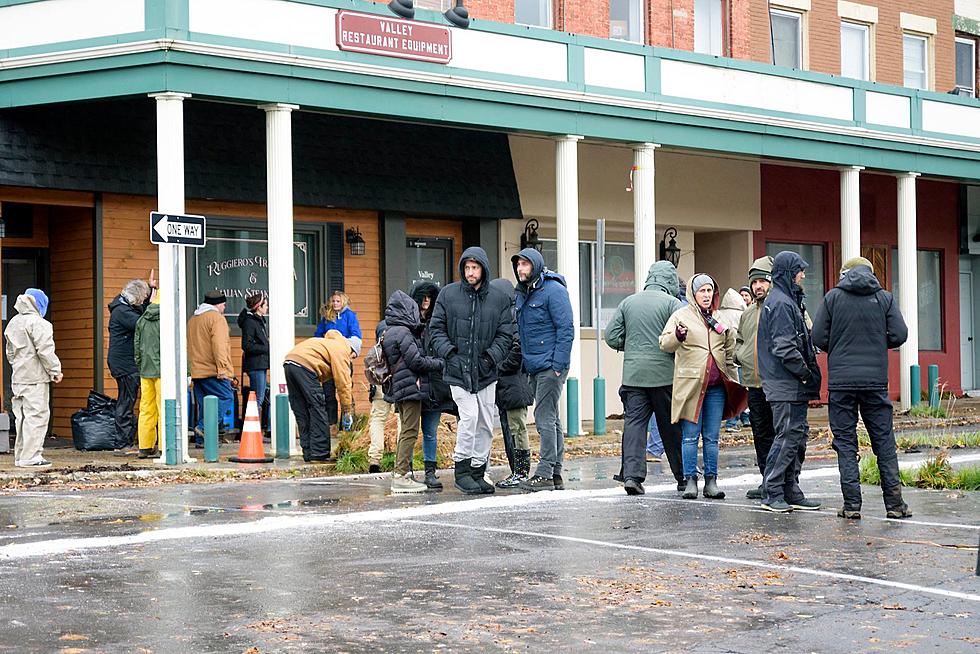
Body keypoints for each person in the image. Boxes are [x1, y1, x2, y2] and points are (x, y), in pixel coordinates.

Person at [812, 256, 912, 520]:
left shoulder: (832, 298)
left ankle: (852, 505)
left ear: (846, 274)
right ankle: (895, 504)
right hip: (875, 382)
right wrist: (878, 341)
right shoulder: (884, 298)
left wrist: (839, 346)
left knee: (845, 443)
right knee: (884, 441)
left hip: (842, 382)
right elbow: (900, 334)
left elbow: (819, 337)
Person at [429, 247, 513, 495]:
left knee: (486, 421)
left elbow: (506, 334)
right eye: (466, 268)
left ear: (483, 269)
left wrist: (490, 357)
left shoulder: (498, 298)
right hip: (457, 369)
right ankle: (462, 468)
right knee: (469, 417)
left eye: (474, 268)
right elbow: (436, 329)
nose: (470, 272)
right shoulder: (448, 294)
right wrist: (450, 354)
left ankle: (478, 469)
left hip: (486, 370)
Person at [660, 274, 745, 500]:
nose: (706, 295)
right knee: (689, 437)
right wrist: (677, 336)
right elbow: (664, 344)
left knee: (712, 437)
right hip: (691, 386)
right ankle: (689, 481)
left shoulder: (720, 318)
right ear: (693, 294)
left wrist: (734, 381)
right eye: (702, 291)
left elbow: (728, 353)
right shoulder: (680, 316)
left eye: (710, 291)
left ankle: (711, 481)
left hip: (716, 389)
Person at [605, 261, 686, 496]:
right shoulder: (673, 304)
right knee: (671, 428)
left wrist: (628, 345)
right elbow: (683, 337)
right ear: (669, 280)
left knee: (634, 426)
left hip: (633, 376)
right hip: (664, 376)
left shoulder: (628, 302)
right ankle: (682, 477)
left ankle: (631, 476)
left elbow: (611, 337)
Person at [756, 251, 823, 513]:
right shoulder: (782, 303)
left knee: (796, 437)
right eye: (799, 270)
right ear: (788, 272)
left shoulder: (784, 300)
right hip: (787, 384)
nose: (803, 275)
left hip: (788, 384)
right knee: (787, 437)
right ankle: (772, 491)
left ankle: (790, 489)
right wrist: (805, 372)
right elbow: (784, 348)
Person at [511, 248, 574, 492]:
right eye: (518, 265)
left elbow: (566, 328)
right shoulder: (523, 292)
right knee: (553, 418)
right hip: (534, 365)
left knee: (543, 417)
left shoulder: (554, 290)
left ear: (535, 265)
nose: (520, 269)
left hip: (550, 365)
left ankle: (545, 472)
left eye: (525, 265)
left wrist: (558, 365)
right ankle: (556, 472)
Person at [380, 291, 444, 493]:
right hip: (409, 387)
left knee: (406, 430)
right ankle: (400, 475)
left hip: (399, 387)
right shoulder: (403, 333)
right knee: (410, 431)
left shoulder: (388, 331)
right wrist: (440, 363)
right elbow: (416, 361)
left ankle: (401, 473)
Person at [735, 256, 781, 499]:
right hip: (753, 385)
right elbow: (740, 341)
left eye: (763, 281)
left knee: (781, 436)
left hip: (777, 385)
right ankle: (766, 480)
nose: (758, 286)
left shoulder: (783, 307)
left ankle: (783, 483)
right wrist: (739, 355)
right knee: (761, 436)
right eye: (754, 282)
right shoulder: (748, 314)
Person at [5, 289, 62, 467]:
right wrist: (55, 370)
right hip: (36, 377)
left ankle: (21, 455)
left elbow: (10, 353)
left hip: (19, 377)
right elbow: (45, 351)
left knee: (21, 417)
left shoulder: (14, 322)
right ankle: (32, 457)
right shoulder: (39, 323)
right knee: (37, 416)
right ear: (39, 304)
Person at [490, 278, 534, 489]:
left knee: (517, 429)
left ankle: (521, 472)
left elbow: (517, 352)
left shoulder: (512, 319)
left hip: (514, 385)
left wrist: (496, 368)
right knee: (510, 430)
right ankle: (516, 470)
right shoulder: (504, 317)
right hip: (507, 387)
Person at [284, 331, 354, 462]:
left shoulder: (324, 344)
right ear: (351, 350)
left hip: (289, 363)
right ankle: (320, 454)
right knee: (317, 408)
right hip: (305, 366)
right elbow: (343, 384)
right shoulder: (341, 350)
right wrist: (347, 410)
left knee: (302, 411)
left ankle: (308, 452)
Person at [411, 281, 455, 489]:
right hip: (412, 383)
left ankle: (430, 472)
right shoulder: (407, 323)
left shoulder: (438, 323)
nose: (426, 300)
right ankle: (406, 470)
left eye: (430, 296)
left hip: (435, 385)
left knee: (430, 430)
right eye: (423, 296)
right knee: (409, 430)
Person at [107, 277, 153, 454]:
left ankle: (125, 441)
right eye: (142, 298)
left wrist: (150, 291)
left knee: (126, 399)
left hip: (122, 362)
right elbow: (142, 324)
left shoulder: (122, 306)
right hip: (125, 364)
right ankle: (123, 443)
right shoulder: (123, 312)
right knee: (126, 401)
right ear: (135, 297)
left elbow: (140, 310)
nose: (142, 302)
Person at [188, 290, 236, 446]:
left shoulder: (193, 320)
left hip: (196, 371)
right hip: (212, 370)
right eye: (223, 304)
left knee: (204, 405)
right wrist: (223, 370)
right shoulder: (216, 319)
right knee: (226, 397)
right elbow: (219, 346)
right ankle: (203, 428)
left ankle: (202, 440)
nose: (224, 307)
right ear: (217, 304)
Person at [315, 291, 362, 434]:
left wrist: (353, 351)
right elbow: (318, 336)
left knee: (345, 391)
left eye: (338, 301)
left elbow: (356, 335)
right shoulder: (327, 318)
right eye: (333, 301)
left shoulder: (350, 316)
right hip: (328, 360)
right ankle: (332, 424)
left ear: (343, 302)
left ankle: (347, 425)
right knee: (328, 393)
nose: (335, 304)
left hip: (343, 359)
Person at [367, 317, 398, 473]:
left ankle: (375, 460)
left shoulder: (380, 327)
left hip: (381, 378)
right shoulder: (403, 328)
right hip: (399, 378)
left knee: (378, 418)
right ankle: (402, 458)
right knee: (403, 417)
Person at [716, 287, 749, 433]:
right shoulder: (743, 315)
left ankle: (729, 421)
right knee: (740, 389)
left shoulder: (719, 314)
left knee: (726, 391)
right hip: (739, 358)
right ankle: (735, 420)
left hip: (721, 359)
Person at [133, 290, 161, 459]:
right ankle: (166, 447)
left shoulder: (142, 319)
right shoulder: (168, 318)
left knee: (146, 408)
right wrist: (186, 371)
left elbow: (136, 346)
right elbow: (179, 346)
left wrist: (141, 365)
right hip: (164, 370)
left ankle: (145, 446)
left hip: (145, 370)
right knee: (164, 408)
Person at [238, 293, 270, 432]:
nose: (267, 307)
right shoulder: (251, 322)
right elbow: (247, 345)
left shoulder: (259, 321)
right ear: (259, 307)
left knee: (260, 397)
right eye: (266, 304)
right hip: (255, 365)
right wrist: (267, 348)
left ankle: (257, 428)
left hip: (260, 364)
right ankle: (253, 430)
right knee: (258, 399)